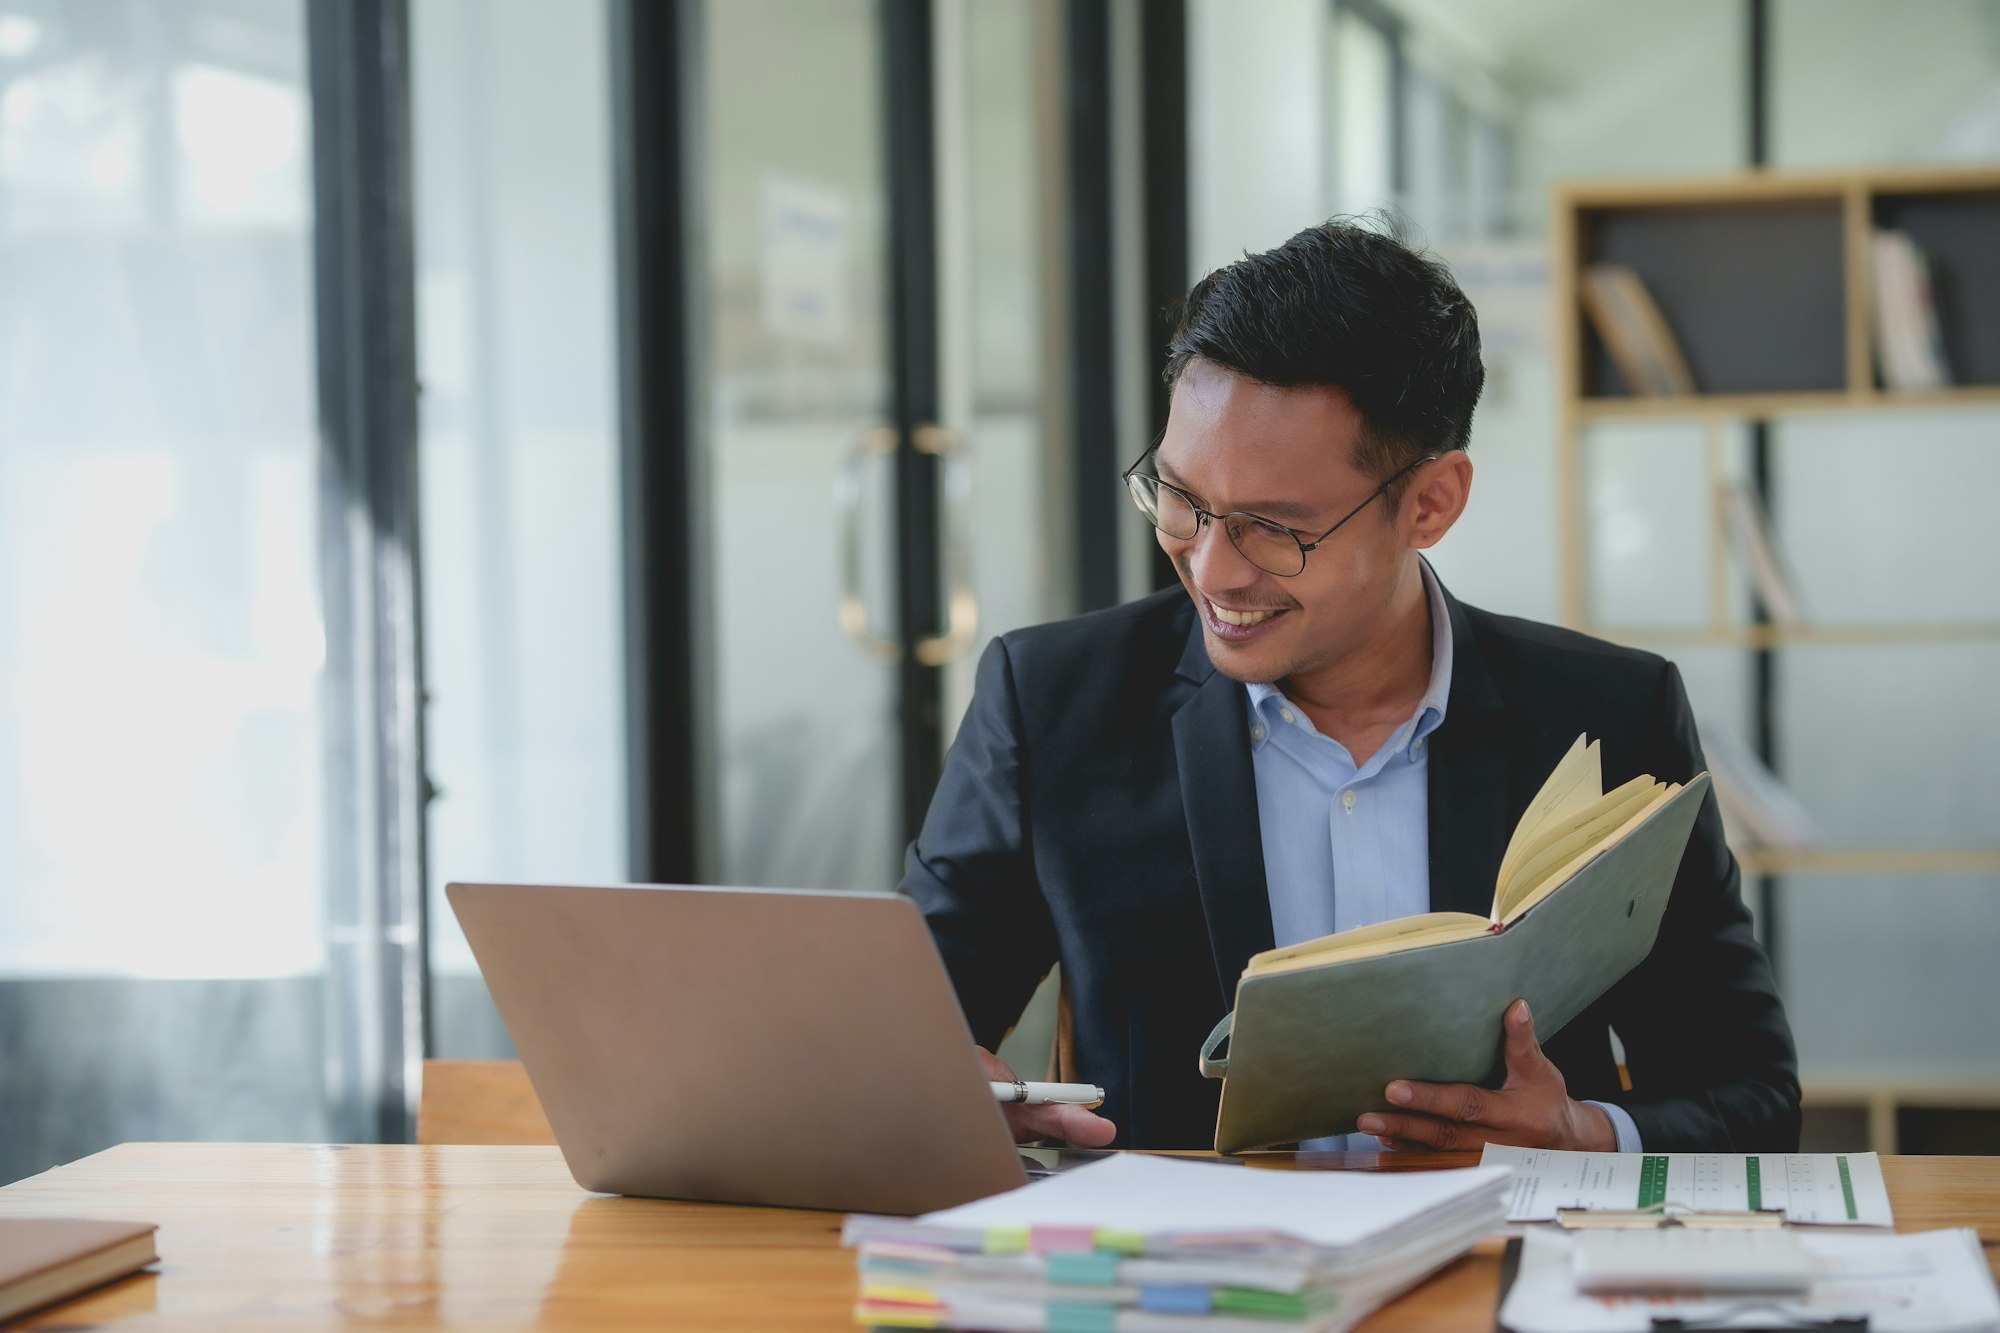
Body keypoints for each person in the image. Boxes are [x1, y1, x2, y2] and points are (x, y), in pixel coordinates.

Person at [903, 218, 1799, 1154]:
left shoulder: (1609, 717)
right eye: (1181, 500)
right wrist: (947, 1085)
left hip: (1490, 1273)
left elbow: (1753, 1096)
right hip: (1183, 1284)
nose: (1211, 569)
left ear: (1432, 502)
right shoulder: (1051, 704)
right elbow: (902, 1033)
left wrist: (1582, 1132)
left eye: (1273, 527)